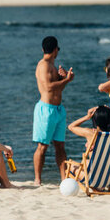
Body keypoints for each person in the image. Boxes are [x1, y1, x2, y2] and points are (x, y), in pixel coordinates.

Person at [32, 36, 75, 186]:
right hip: (46, 110)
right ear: (55, 49)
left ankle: (64, 179)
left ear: (43, 49)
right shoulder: (43, 65)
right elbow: (49, 87)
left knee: (60, 146)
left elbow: (58, 88)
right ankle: (37, 180)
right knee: (42, 146)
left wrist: (63, 78)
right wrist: (67, 80)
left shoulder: (54, 66)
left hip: (58, 110)